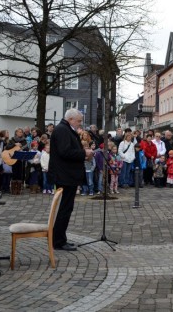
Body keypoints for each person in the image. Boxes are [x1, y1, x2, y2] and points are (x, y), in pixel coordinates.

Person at [48, 108, 94, 251]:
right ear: (70, 119)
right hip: (65, 176)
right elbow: (65, 152)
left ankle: (60, 238)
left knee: (66, 208)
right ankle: (58, 241)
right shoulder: (62, 130)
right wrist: (84, 153)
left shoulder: (66, 129)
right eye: (79, 121)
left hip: (67, 175)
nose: (80, 124)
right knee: (65, 209)